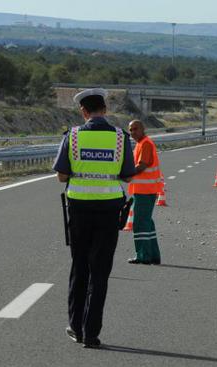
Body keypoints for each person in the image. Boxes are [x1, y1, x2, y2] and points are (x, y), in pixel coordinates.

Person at [53, 88, 135, 348]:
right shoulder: (121, 138)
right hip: (109, 210)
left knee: (80, 268)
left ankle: (75, 327)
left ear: (83, 111)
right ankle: (91, 333)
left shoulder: (73, 137)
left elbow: (61, 176)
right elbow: (128, 177)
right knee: (100, 272)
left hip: (79, 209)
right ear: (105, 110)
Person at [127, 120, 163, 265]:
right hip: (144, 190)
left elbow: (142, 166)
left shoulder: (146, 144)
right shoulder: (140, 144)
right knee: (147, 222)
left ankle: (143, 255)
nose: (132, 132)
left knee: (140, 223)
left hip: (145, 191)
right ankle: (153, 255)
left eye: (135, 129)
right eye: (130, 130)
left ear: (143, 129)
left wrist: (125, 172)